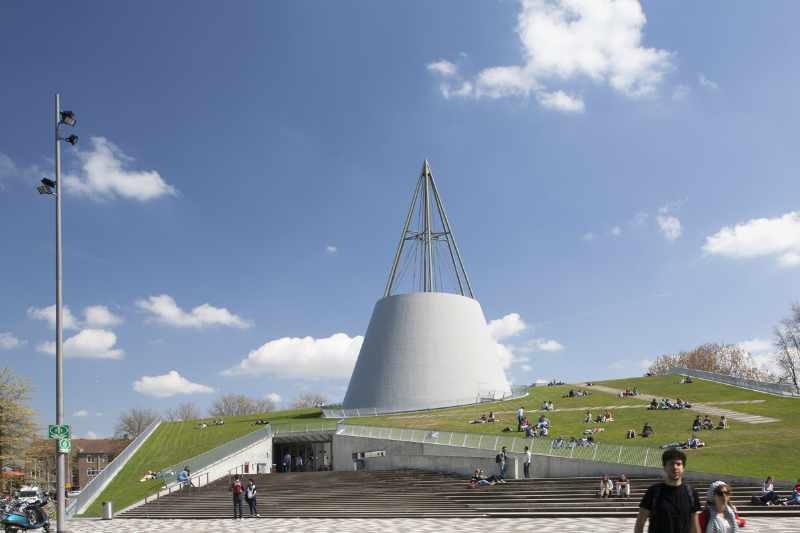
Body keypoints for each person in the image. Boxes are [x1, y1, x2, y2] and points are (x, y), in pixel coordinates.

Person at [634, 448, 701, 533]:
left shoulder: (691, 493)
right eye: (671, 463)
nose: (675, 467)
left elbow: (695, 526)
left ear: (683, 468)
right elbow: (639, 524)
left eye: (678, 464)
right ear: (664, 467)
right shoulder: (653, 492)